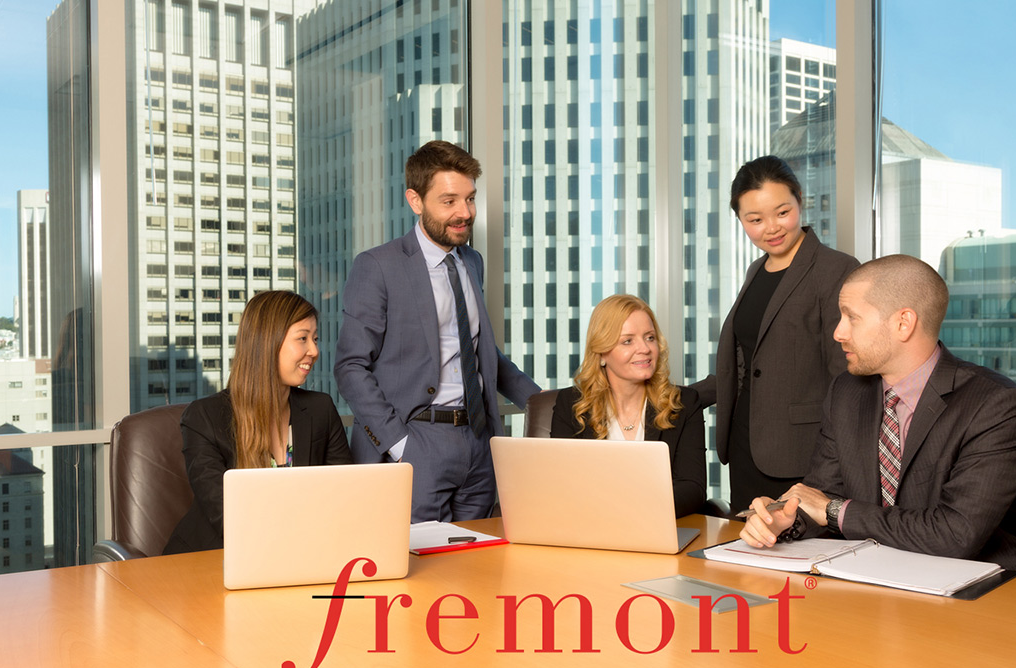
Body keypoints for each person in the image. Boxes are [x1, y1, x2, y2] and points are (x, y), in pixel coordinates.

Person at [740, 255, 1016, 576]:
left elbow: (956, 535)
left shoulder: (997, 405)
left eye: (851, 317)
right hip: (879, 575)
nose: (838, 332)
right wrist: (787, 520)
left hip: (985, 586)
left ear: (904, 323)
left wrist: (830, 509)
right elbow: (823, 496)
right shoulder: (847, 391)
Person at [334, 140, 539, 522]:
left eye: (470, 199)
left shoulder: (472, 262)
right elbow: (350, 367)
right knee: (419, 574)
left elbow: (483, 355)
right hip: (417, 441)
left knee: (475, 570)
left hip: (479, 443)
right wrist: (400, 445)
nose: (465, 213)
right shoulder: (378, 266)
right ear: (416, 200)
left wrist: (550, 406)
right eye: (449, 201)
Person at [694, 155, 859, 511]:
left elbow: (846, 376)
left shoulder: (837, 269)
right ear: (740, 219)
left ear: (800, 199)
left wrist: (832, 461)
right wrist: (686, 396)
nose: (771, 227)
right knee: (745, 550)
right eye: (755, 219)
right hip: (745, 443)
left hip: (804, 451)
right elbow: (747, 360)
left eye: (782, 212)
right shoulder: (757, 269)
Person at [164, 291, 353, 554]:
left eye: (315, 339)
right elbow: (227, 516)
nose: (314, 350)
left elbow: (346, 496)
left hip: (303, 556)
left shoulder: (320, 409)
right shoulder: (204, 417)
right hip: (213, 561)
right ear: (267, 342)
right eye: (303, 339)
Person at [551, 295, 707, 517]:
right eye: (628, 341)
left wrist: (632, 509)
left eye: (650, 337)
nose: (644, 348)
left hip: (659, 530)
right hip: (591, 530)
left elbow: (693, 490)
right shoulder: (571, 404)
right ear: (602, 352)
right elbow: (562, 485)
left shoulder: (684, 403)